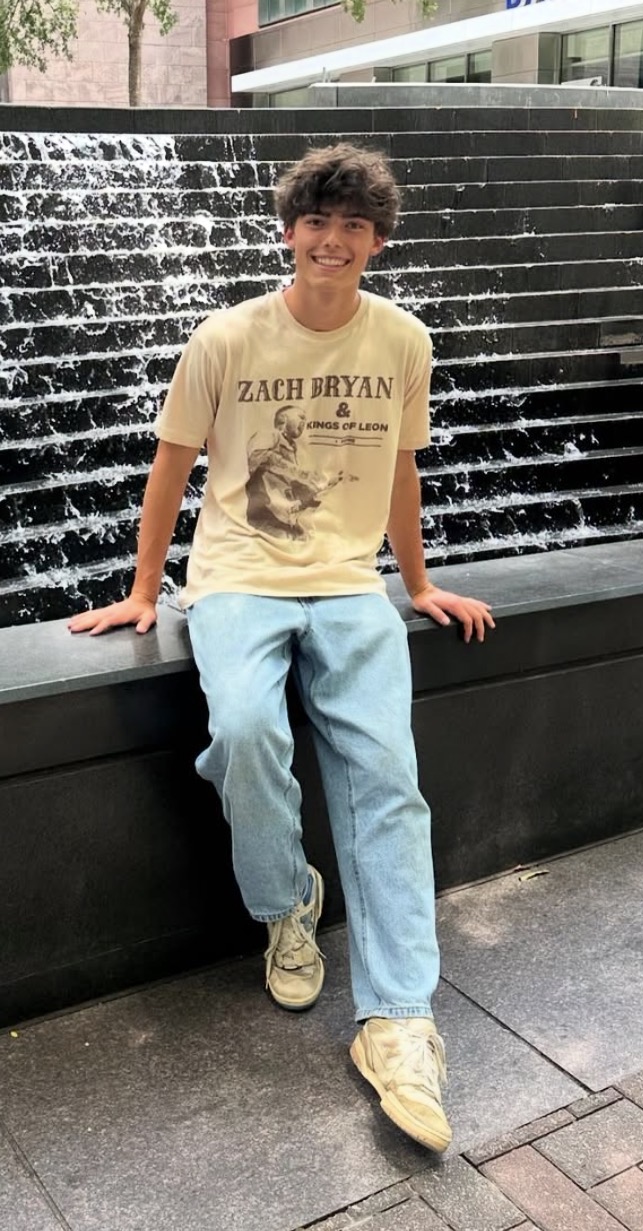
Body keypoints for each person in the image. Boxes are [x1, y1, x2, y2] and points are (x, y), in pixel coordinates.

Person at [68, 143, 494, 1153]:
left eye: (353, 226)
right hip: (235, 580)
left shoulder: (403, 340)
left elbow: (400, 471)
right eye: (317, 222)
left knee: (386, 776)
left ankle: (398, 1022)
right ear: (289, 231)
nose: (331, 241)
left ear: (376, 241)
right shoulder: (226, 337)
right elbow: (171, 467)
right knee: (247, 733)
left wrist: (417, 584)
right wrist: (142, 590)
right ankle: (286, 902)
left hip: (347, 583)